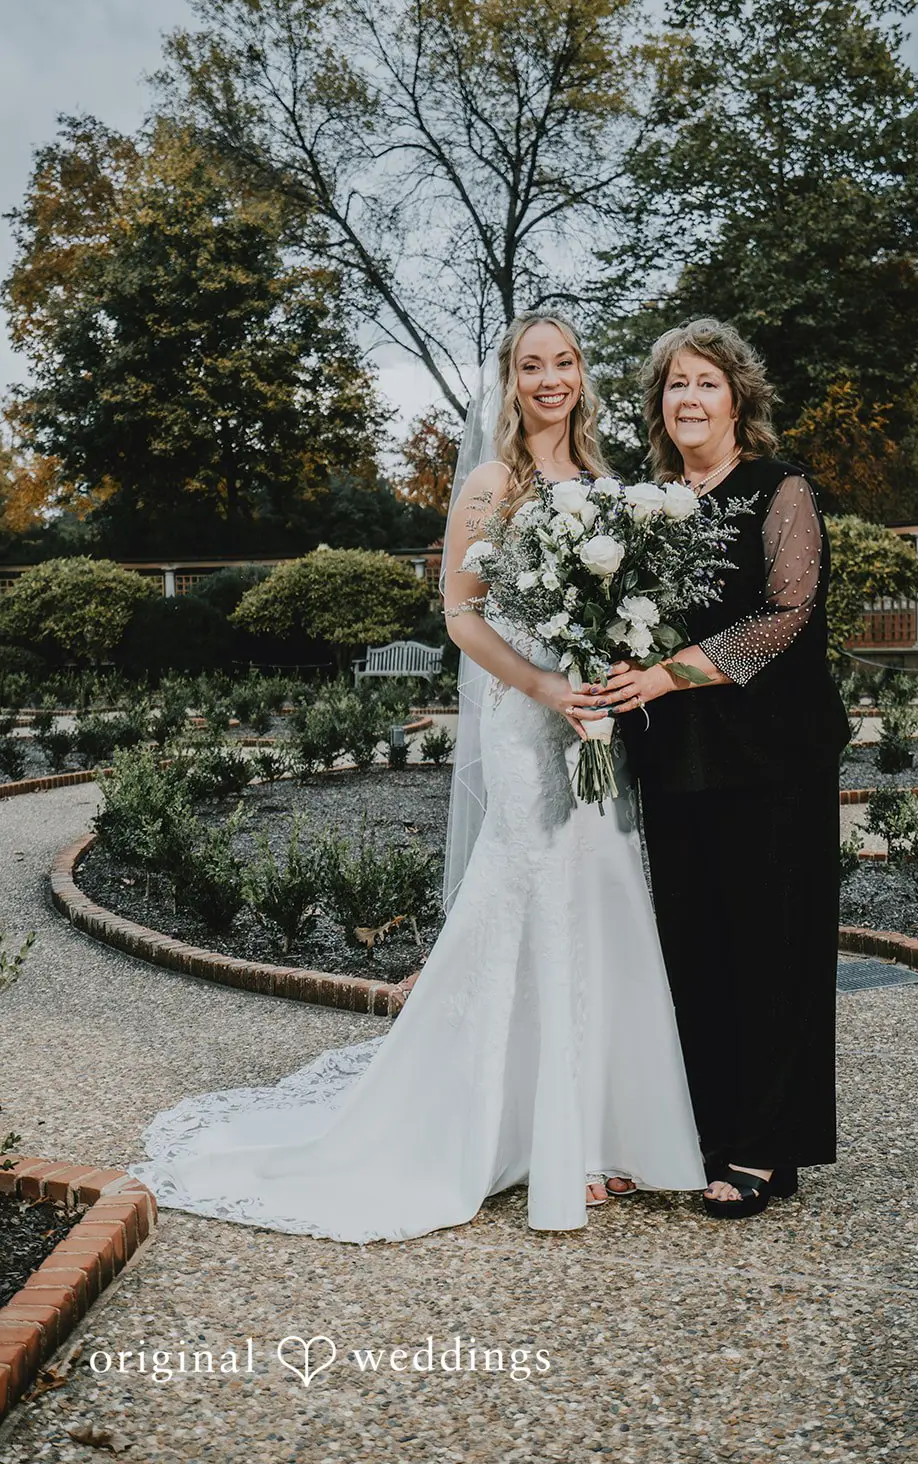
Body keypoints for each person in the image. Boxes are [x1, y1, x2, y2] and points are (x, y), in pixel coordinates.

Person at [127, 312, 706, 1244]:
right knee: (536, 895)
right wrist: (546, 685)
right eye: (532, 366)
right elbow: (461, 615)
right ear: (511, 381)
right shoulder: (492, 482)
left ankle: (603, 1126)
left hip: (599, 720)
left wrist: (613, 665)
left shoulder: (609, 483)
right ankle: (530, 1133)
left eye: (564, 364)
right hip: (531, 723)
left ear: (583, 377)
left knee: (604, 899)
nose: (550, 379)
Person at [600, 317, 852, 1220]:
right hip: (674, 759)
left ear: (738, 397)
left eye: (706, 382)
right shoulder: (645, 503)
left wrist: (665, 674)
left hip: (768, 757)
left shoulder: (778, 490)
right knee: (694, 950)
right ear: (658, 404)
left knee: (768, 948)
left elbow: (786, 613)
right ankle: (703, 1131)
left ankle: (764, 1146)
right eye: (674, 384)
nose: (689, 398)